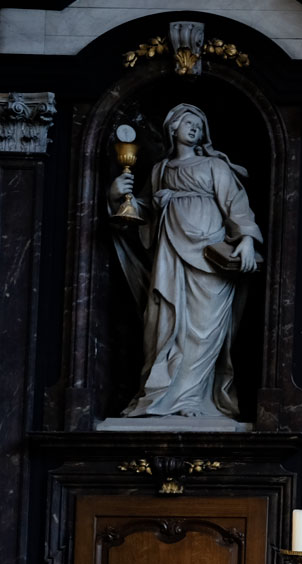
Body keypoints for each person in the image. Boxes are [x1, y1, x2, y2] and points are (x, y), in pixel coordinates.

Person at [108, 103, 262, 419]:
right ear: (172, 128)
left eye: (199, 124)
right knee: (163, 323)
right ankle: (159, 396)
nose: (194, 128)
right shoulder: (160, 170)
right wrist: (117, 196)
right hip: (169, 258)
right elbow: (142, 214)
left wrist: (246, 239)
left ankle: (194, 398)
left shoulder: (214, 167)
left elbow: (237, 205)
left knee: (204, 329)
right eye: (188, 122)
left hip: (210, 260)